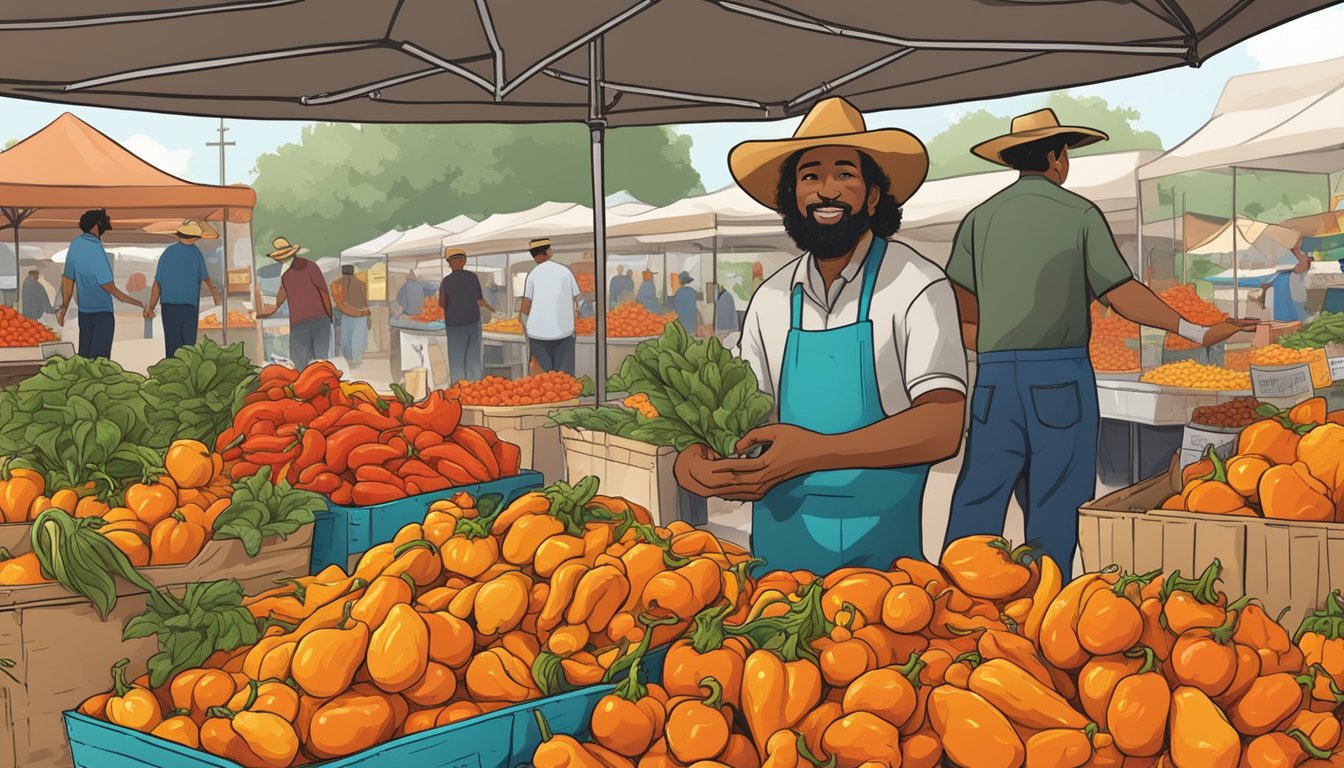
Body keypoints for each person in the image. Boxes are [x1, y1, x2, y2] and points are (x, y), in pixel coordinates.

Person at [942, 109, 1254, 579]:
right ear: (1056, 157)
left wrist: (1000, 346)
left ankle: (954, 601)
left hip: (993, 381)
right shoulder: (1078, 214)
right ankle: (1045, 606)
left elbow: (959, 309)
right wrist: (1197, 331)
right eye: (1065, 153)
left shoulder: (979, 220)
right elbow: (1123, 293)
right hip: (1060, 378)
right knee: (1056, 504)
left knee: (980, 492)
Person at [674, 96, 968, 574]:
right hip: (778, 558)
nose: (826, 191)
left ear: (873, 196)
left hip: (885, 574)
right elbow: (743, 414)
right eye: (810, 176)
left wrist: (815, 451)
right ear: (792, 195)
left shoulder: (917, 284)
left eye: (844, 174)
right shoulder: (771, 298)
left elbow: (942, 425)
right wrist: (694, 458)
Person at [57, 209, 145, 359]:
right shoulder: (96, 248)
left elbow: (68, 278)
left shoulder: (75, 244)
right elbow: (107, 285)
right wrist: (137, 302)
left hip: (84, 313)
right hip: (102, 314)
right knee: (100, 363)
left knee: (84, 359)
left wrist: (64, 305)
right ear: (97, 226)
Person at [145, 220, 221, 358]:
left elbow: (158, 283)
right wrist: (214, 292)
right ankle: (186, 377)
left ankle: (173, 375)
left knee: (172, 346)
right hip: (189, 306)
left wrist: (150, 306)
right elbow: (206, 278)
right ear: (195, 238)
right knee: (188, 347)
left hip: (170, 307)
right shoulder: (196, 253)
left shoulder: (168, 253)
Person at [256, 236, 334, 370]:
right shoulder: (310, 266)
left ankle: (303, 388)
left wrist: (272, 310)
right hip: (318, 320)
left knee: (299, 364)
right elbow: (323, 293)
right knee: (320, 362)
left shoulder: (288, 273)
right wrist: (329, 316)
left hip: (301, 322)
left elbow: (282, 294)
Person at [520, 238, 580, 375]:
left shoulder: (533, 275)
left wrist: (524, 325)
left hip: (538, 335)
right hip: (564, 333)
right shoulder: (565, 272)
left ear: (534, 256)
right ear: (549, 252)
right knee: (564, 379)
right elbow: (576, 300)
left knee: (541, 381)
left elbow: (525, 306)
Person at [439, 247, 496, 382]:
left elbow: (441, 305)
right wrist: (489, 306)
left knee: (456, 359)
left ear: (449, 263)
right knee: (474, 359)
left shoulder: (446, 281)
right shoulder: (472, 277)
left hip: (454, 326)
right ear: (464, 261)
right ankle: (474, 389)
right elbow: (480, 301)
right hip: (472, 323)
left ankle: (459, 391)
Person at [1254, 246, 1312, 323]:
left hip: (1296, 298)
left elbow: (1300, 268)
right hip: (1288, 298)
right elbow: (1268, 278)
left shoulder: (1296, 254)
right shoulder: (1281, 254)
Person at [333, 264, 371, 368]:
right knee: (358, 338)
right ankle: (357, 360)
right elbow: (364, 301)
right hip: (361, 315)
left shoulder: (338, 283)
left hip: (346, 314)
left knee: (345, 338)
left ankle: (348, 359)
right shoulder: (361, 283)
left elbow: (338, 301)